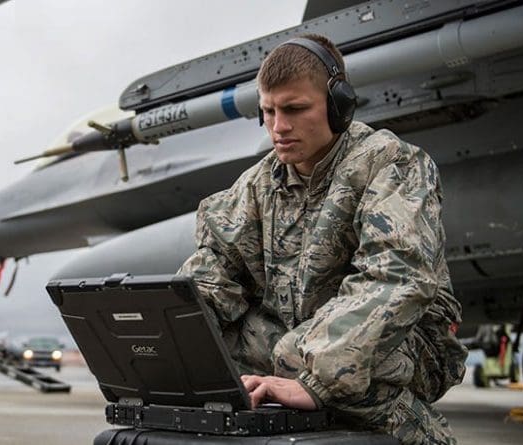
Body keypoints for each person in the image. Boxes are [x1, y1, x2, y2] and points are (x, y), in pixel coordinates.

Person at [179, 34, 468, 444]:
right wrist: (165, 355)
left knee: (309, 360)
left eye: (295, 109)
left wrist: (314, 380)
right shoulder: (258, 184)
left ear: (338, 106)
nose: (279, 127)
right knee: (223, 352)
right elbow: (212, 279)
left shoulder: (391, 163)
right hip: (296, 344)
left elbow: (395, 277)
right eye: (268, 112)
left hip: (407, 340)